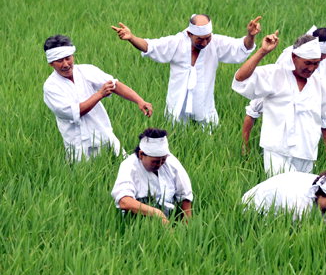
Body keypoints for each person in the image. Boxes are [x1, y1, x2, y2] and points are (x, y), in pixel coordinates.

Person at [232, 30, 326, 175]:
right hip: (277, 152)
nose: (311, 68)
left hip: (306, 153)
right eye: (307, 63)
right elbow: (241, 78)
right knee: (284, 195)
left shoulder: (318, 84)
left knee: (302, 198)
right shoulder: (276, 74)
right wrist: (262, 52)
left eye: (316, 63)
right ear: (294, 57)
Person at [111, 14, 262, 125]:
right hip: (178, 102)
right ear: (189, 34)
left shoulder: (215, 43)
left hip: (204, 102)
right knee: (176, 131)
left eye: (207, 38)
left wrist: (250, 36)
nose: (204, 42)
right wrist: (132, 38)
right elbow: (151, 46)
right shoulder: (177, 42)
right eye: (200, 39)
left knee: (206, 133)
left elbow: (241, 47)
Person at [241, 26, 326, 157]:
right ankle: (246, 147)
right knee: (254, 110)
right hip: (277, 91)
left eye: (325, 56)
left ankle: (325, 154)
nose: (325, 58)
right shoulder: (291, 57)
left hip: (307, 95)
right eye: (324, 55)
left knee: (319, 119)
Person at [43, 34, 153, 162]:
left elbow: (114, 85)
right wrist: (99, 95)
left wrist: (139, 100)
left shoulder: (87, 71)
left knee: (123, 167)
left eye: (68, 58)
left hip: (103, 134)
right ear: (51, 63)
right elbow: (75, 112)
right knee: (84, 176)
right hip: (78, 144)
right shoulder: (51, 87)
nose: (66, 64)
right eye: (60, 60)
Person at [111, 128, 193, 224]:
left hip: (170, 219)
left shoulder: (172, 163)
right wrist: (156, 213)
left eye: (163, 160)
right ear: (141, 154)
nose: (160, 164)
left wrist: (187, 229)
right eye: (155, 161)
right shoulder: (129, 166)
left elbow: (185, 197)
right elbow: (124, 201)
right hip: (137, 222)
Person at [242, 170, 326, 230]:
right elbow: (297, 229)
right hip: (254, 207)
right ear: (320, 194)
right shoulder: (299, 200)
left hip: (280, 208)